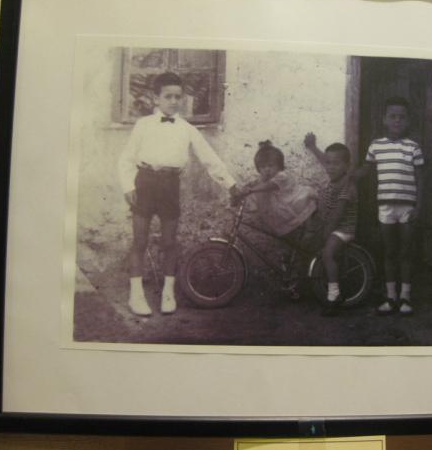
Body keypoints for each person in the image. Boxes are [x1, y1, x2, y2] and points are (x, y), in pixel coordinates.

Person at [118, 72, 238, 316]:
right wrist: (128, 186)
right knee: (139, 241)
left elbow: (209, 158)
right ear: (156, 98)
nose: (173, 101)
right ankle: (136, 295)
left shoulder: (187, 129)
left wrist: (231, 184)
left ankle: (168, 294)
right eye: (168, 96)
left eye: (178, 97)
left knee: (169, 242)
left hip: (170, 186)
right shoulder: (143, 125)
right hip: (144, 183)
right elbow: (126, 159)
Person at [356, 96, 424, 315]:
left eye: (402, 117)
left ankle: (405, 297)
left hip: (407, 207)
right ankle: (390, 296)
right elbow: (365, 170)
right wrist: (346, 175)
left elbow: (421, 179)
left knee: (406, 252)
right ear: (384, 119)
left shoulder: (413, 147)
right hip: (385, 207)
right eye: (393, 116)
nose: (397, 121)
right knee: (389, 252)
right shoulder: (376, 146)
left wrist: (418, 206)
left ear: (408, 121)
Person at [232, 141, 318, 298]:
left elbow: (269, 186)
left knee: (298, 254)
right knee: (287, 254)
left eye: (271, 165)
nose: (267, 169)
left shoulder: (282, 177)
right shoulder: (261, 181)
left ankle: (298, 285)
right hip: (285, 223)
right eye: (263, 167)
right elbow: (253, 186)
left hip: (299, 216)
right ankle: (291, 283)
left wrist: (250, 190)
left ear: (279, 166)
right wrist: (239, 194)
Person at [304, 138, 359, 316]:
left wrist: (325, 233)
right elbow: (325, 159)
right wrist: (313, 147)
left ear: (346, 166)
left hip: (343, 229)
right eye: (328, 163)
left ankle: (334, 295)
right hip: (329, 226)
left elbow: (338, 215)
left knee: (327, 253)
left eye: (336, 164)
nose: (330, 167)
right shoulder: (334, 180)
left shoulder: (346, 187)